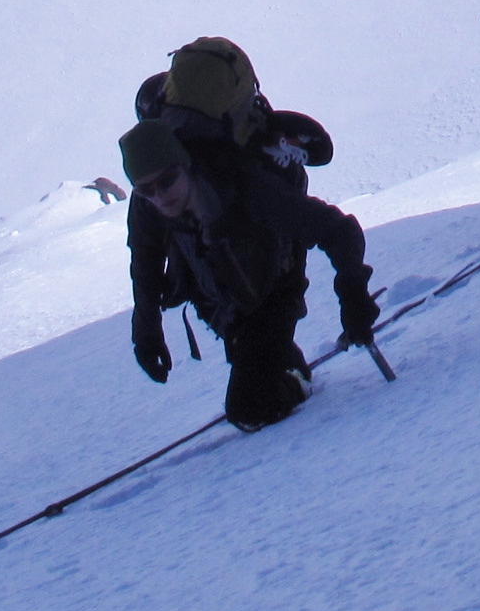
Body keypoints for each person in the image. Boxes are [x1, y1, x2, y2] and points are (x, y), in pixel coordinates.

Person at [122, 38, 376, 430]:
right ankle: (281, 365)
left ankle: (292, 382)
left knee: (248, 409)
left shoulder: (246, 189)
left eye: (167, 181)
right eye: (147, 190)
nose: (159, 196)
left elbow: (338, 231)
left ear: (184, 163)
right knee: (252, 362)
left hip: (273, 286)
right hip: (220, 295)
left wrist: (353, 295)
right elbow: (145, 260)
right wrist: (147, 330)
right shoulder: (148, 204)